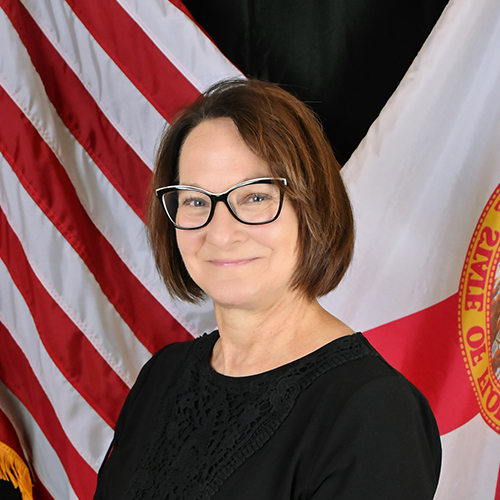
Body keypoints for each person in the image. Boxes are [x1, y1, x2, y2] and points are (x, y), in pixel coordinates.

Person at [93, 78, 441, 499]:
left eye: (255, 197)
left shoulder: (373, 410)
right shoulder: (163, 376)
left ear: (311, 206)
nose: (220, 233)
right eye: (196, 200)